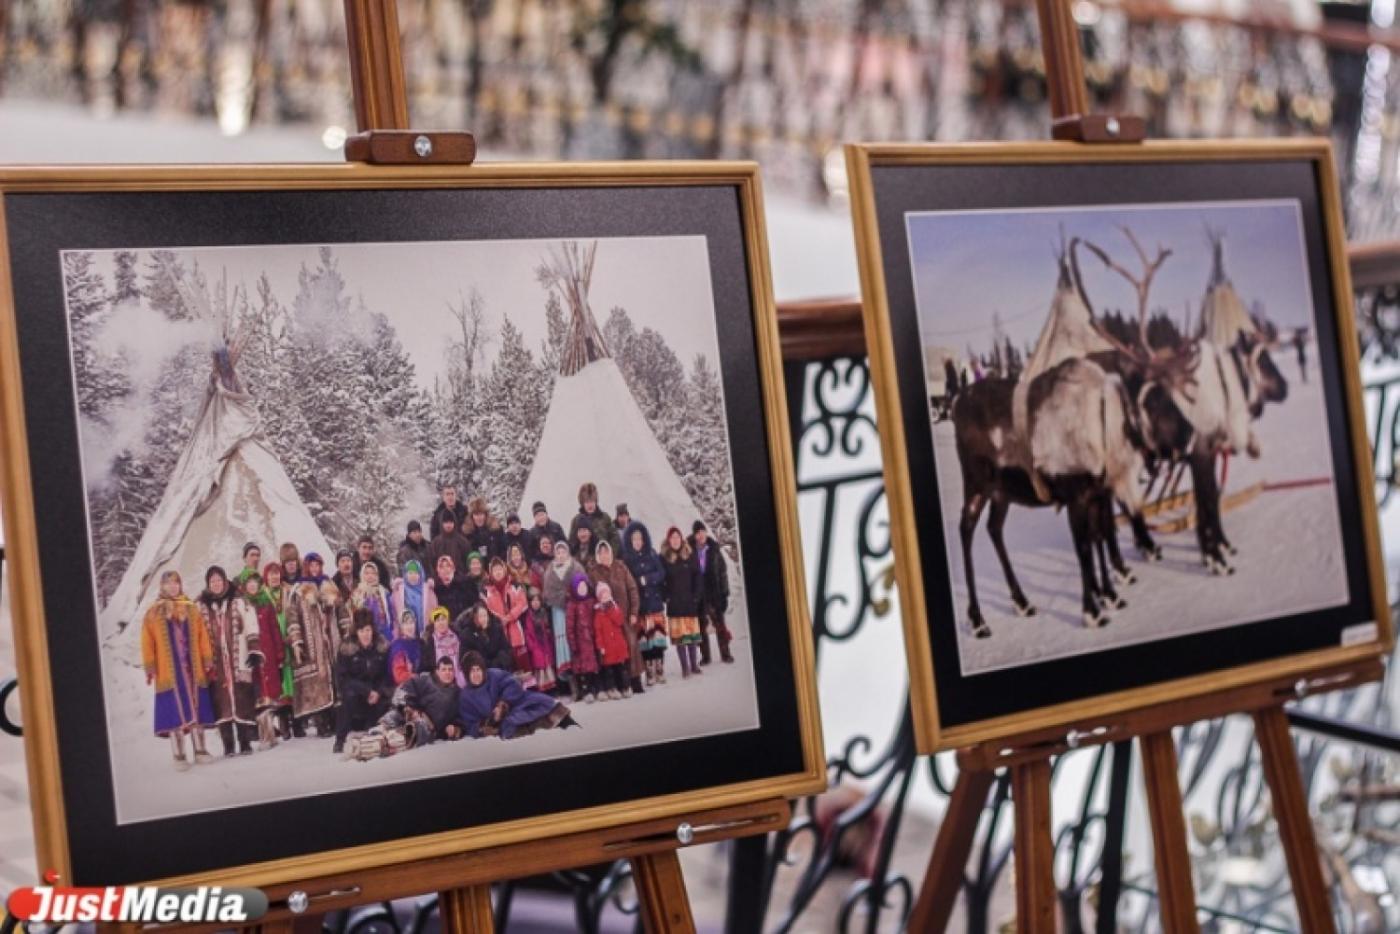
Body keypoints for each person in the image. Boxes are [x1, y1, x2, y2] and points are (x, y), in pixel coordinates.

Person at [142, 570, 216, 771]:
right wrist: (150, 666)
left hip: (193, 670)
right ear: (162, 587)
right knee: (175, 710)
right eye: (169, 584)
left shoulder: (192, 609)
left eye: (176, 583)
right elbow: (147, 642)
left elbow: (203, 637)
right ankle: (179, 755)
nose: (173, 587)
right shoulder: (153, 613)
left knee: (196, 707)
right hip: (169, 672)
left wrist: (207, 659)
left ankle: (200, 750)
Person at [343, 656, 465, 761]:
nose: (447, 673)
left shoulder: (456, 693)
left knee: (411, 731)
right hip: (411, 711)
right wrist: (408, 707)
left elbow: (459, 718)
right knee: (395, 714)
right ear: (437, 671)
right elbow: (404, 689)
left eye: (450, 670)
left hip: (427, 726)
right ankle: (372, 734)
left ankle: (369, 747)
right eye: (444, 669)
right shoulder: (425, 680)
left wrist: (455, 728)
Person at [197, 565, 258, 756]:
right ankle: (228, 744)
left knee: (241, 698)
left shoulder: (239, 600)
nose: (216, 584)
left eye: (219, 580)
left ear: (224, 581)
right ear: (208, 584)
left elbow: (250, 622)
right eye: (212, 581)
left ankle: (245, 742)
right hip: (216, 663)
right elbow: (196, 634)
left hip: (237, 658)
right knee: (221, 701)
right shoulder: (201, 605)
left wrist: (254, 649)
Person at [457, 651, 576, 739]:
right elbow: (470, 724)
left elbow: (512, 683)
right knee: (510, 725)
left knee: (541, 703)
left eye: (478, 669)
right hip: (498, 724)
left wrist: (503, 704)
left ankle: (565, 724)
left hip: (514, 705)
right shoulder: (466, 696)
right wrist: (484, 726)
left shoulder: (493, 674)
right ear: (467, 674)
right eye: (472, 671)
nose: (476, 674)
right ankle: (532, 729)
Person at [284, 577, 341, 733]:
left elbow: (342, 616)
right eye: (312, 565)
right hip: (312, 648)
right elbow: (292, 617)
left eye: (318, 565)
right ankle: (322, 723)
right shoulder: (299, 593)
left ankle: (335, 720)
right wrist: (296, 641)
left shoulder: (330, 590)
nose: (315, 568)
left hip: (331, 646)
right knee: (317, 685)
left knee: (334, 683)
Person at [588, 540, 643, 694]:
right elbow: (592, 594)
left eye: (606, 552)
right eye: (601, 552)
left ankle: (635, 680)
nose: (604, 555)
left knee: (630, 647)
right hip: (606, 619)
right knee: (613, 651)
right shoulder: (594, 572)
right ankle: (619, 683)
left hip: (624, 615)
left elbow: (632, 589)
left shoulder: (621, 567)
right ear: (597, 555)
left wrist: (633, 612)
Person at [334, 610, 392, 754]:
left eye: (368, 630)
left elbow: (385, 675)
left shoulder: (381, 647)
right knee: (348, 697)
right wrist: (366, 691)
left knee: (388, 701)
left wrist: (378, 692)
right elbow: (343, 679)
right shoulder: (346, 649)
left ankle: (374, 732)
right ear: (356, 632)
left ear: (372, 630)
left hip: (376, 696)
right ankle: (340, 740)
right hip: (357, 694)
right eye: (361, 631)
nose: (365, 635)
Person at [242, 571, 286, 748]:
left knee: (270, 695)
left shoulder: (266, 604)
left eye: (255, 583)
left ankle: (271, 734)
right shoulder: (242, 605)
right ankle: (264, 735)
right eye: (249, 583)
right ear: (245, 586)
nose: (252, 586)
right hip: (252, 655)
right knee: (258, 695)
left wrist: (279, 653)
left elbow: (275, 629)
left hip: (268, 655)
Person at [622, 521, 669, 685]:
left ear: (644, 539)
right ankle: (648, 670)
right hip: (640, 606)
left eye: (640, 539)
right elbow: (626, 580)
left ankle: (659, 667)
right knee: (645, 641)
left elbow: (662, 573)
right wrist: (636, 582)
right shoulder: (627, 559)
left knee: (658, 638)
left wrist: (648, 579)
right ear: (630, 540)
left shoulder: (652, 554)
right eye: (634, 539)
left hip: (654, 603)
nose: (637, 542)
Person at [258, 562, 299, 737]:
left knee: (293, 681)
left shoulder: (288, 592)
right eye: (271, 574)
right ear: (266, 577)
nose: (274, 577)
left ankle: (297, 721)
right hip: (273, 645)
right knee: (280, 683)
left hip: (289, 640)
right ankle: (283, 723)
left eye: (277, 574)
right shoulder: (262, 596)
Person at [661, 527, 703, 679]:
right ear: (668, 540)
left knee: (691, 637)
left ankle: (694, 665)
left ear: (682, 538)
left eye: (677, 537)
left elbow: (698, 576)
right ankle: (685, 668)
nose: (675, 540)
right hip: (674, 603)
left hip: (689, 601)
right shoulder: (664, 558)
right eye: (672, 538)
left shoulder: (690, 555)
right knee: (680, 639)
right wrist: (666, 597)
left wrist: (696, 596)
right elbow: (661, 580)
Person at [542, 541, 584, 695]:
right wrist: (561, 598)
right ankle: (571, 683)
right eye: (558, 553)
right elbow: (547, 593)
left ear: (568, 553)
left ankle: (582, 680)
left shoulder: (576, 567)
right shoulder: (549, 572)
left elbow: (583, 584)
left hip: (575, 608)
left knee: (577, 640)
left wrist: (572, 596)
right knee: (564, 643)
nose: (560, 555)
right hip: (558, 612)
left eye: (563, 552)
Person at [690, 521, 734, 665]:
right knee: (701, 627)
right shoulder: (689, 550)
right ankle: (705, 656)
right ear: (695, 535)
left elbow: (723, 572)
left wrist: (725, 593)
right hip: (698, 594)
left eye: (702, 531)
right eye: (697, 533)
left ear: (706, 532)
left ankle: (726, 653)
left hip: (713, 592)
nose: (700, 535)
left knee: (719, 624)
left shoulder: (714, 549)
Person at [484, 556, 531, 683]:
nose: (498, 572)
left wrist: (509, 617)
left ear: (504, 570)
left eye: (500, 569)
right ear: (491, 573)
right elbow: (488, 610)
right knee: (507, 661)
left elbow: (522, 603)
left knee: (522, 659)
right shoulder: (488, 591)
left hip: (515, 627)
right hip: (500, 631)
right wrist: (500, 619)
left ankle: (529, 687)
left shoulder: (514, 585)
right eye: (495, 570)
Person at [592, 581, 630, 700]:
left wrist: (611, 609)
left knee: (621, 669)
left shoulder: (615, 608)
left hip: (618, 645)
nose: (605, 598)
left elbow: (619, 621)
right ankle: (612, 688)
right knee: (609, 671)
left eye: (607, 595)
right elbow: (598, 632)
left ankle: (625, 687)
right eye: (603, 596)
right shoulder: (598, 613)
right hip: (607, 647)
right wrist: (600, 646)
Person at [566, 573, 600, 704]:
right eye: (579, 587)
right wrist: (573, 644)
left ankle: (594, 688)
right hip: (580, 643)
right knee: (583, 669)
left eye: (584, 587)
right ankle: (585, 690)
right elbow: (569, 627)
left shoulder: (591, 601)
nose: (582, 590)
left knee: (593, 667)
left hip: (591, 640)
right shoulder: (572, 605)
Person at [457, 603, 515, 671]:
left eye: (485, 616)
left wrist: (501, 660)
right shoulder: (467, 635)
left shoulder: (497, 628)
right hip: (482, 672)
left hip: (502, 668)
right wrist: (490, 665)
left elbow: (506, 649)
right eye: (479, 616)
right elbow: (467, 659)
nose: (483, 619)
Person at [352, 561, 395, 643]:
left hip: (385, 631)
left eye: (373, 573)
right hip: (367, 633)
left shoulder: (383, 592)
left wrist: (392, 628)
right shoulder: (358, 593)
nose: (370, 576)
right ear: (362, 575)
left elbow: (390, 611)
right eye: (367, 573)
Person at [391, 559, 435, 639]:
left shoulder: (428, 590)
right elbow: (394, 615)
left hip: (425, 635)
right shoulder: (398, 591)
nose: (413, 576)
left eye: (416, 573)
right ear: (405, 574)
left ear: (420, 574)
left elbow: (434, 611)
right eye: (410, 573)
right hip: (405, 635)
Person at [522, 588, 556, 693]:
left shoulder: (544, 613)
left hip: (546, 644)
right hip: (536, 646)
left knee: (548, 667)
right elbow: (528, 632)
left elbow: (548, 628)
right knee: (540, 669)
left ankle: (552, 688)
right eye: (533, 601)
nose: (535, 603)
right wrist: (532, 646)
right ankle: (542, 689)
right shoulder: (529, 616)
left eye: (537, 601)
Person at [570, 482, 619, 553]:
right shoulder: (576, 520)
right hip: (582, 560)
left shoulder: (605, 518)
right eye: (587, 502)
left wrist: (610, 553)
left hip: (602, 558)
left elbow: (615, 538)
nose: (590, 505)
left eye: (592, 501)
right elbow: (572, 542)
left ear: (596, 502)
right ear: (582, 503)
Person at [422, 607, 465, 687]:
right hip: (440, 682)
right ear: (433, 623)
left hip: (460, 677)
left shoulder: (458, 635)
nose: (441, 623)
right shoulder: (430, 641)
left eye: (443, 619)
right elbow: (427, 665)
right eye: (437, 620)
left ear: (447, 621)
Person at [431, 555, 475, 623]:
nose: (445, 569)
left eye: (448, 566)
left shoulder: (464, 583)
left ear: (453, 568)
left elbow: (473, 605)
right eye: (442, 567)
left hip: (466, 624)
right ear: (438, 571)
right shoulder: (436, 589)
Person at [387, 611, 423, 685]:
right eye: (405, 623)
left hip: (418, 685)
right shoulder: (398, 646)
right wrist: (418, 678)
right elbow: (399, 676)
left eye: (411, 622)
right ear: (401, 626)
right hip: (403, 688)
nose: (409, 626)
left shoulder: (419, 643)